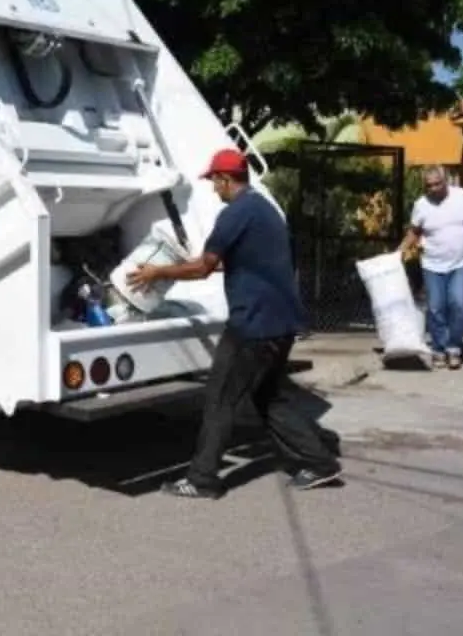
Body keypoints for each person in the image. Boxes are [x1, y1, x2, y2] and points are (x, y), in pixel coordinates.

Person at [127, 148, 343, 499]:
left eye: (215, 181)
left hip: (253, 325)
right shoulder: (265, 209)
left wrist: (158, 272)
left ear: (226, 179)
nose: (214, 189)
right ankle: (318, 462)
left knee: (220, 398)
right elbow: (250, 259)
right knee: (268, 397)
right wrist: (201, 266)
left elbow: (203, 267)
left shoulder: (235, 214)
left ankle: (202, 479)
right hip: (282, 322)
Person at [398, 165, 463, 370]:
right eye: (429, 185)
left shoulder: (462, 196)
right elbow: (414, 231)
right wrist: (400, 251)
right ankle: (439, 348)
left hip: (461, 262)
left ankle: (454, 347)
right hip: (432, 264)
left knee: (460, 304)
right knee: (436, 307)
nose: (434, 189)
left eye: (437, 184)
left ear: (445, 181)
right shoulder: (421, 205)